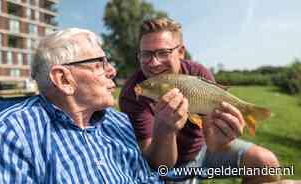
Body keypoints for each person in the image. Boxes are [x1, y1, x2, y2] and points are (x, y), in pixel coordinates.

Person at [0, 28, 163, 183]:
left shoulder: (119, 122)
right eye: (100, 63)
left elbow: (147, 178)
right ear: (63, 79)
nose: (112, 70)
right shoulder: (11, 136)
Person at [119, 17, 280, 183]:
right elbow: (158, 164)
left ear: (181, 52)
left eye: (163, 53)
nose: (154, 63)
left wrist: (221, 138)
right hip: (170, 168)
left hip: (204, 151)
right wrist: (166, 130)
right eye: (146, 54)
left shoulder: (197, 72)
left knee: (266, 162)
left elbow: (212, 143)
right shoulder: (134, 93)